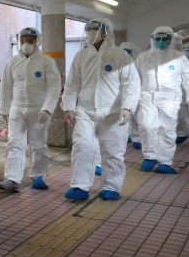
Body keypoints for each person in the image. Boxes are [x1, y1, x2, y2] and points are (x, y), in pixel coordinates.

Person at [60, 20, 140, 201]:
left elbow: (131, 84)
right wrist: (69, 108)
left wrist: (127, 107)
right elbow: (72, 84)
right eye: (88, 30)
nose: (90, 33)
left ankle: (111, 186)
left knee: (112, 151)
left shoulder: (119, 55)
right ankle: (79, 186)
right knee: (82, 147)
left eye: (94, 30)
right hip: (85, 111)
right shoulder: (81, 56)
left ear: (105, 33)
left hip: (113, 113)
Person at [0, 28, 61, 192]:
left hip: (39, 111)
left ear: (37, 41)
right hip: (17, 109)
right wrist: (5, 109)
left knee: (38, 144)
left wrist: (48, 108)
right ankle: (12, 179)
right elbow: (6, 87)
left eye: (30, 40)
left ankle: (38, 176)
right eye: (23, 40)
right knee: (14, 143)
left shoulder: (46, 61)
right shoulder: (11, 62)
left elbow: (54, 86)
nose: (26, 44)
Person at [133, 26, 189, 174]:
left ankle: (165, 161)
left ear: (171, 39)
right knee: (147, 127)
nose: (161, 41)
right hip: (146, 96)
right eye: (158, 38)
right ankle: (149, 156)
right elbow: (133, 78)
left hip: (170, 99)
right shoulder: (143, 57)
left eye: (165, 38)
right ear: (152, 39)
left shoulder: (179, 57)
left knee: (167, 130)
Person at [119, 42, 143, 149]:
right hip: (120, 95)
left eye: (127, 52)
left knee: (137, 117)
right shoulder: (117, 63)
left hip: (136, 94)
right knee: (122, 116)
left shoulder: (137, 63)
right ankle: (127, 135)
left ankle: (137, 138)